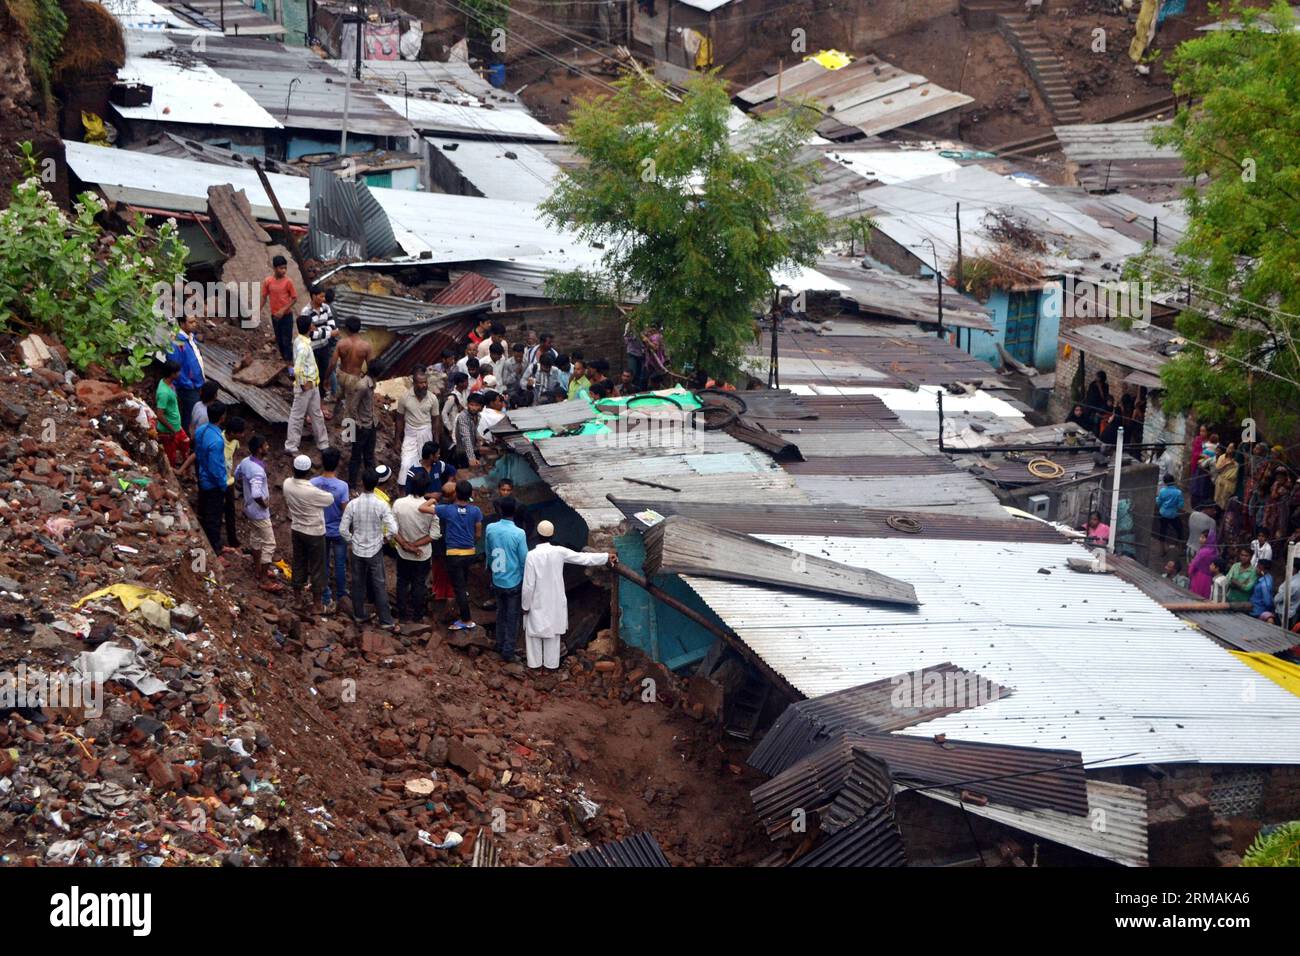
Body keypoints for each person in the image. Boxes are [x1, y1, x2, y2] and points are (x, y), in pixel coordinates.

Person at [521, 520, 614, 670]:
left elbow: (528, 585)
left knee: (533, 635)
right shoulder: (559, 552)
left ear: (537, 535)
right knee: (553, 635)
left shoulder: (531, 556)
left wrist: (525, 605)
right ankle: (551, 667)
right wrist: (605, 557)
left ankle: (535, 666)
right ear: (552, 536)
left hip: (537, 600)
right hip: (555, 601)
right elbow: (583, 558)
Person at [340, 467, 400, 631]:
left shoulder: (353, 504)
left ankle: (359, 615)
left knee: (357, 583)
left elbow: (343, 529)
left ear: (362, 483)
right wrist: (384, 540)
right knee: (379, 584)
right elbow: (393, 529)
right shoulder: (382, 505)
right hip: (375, 549)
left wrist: (352, 541)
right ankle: (386, 621)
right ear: (376, 484)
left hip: (357, 549)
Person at [421, 480, 482, 631]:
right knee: (462, 585)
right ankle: (461, 610)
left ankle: (466, 620)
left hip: (453, 554)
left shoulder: (447, 510)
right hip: (470, 553)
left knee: (459, 588)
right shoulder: (476, 511)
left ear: (456, 494)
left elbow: (422, 508)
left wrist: (434, 498)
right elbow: (478, 534)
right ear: (470, 495)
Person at [283, 454, 335, 615]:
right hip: (314, 532)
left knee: (298, 563)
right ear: (308, 472)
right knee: (317, 567)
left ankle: (298, 601)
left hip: (297, 529)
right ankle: (317, 605)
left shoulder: (287, 484)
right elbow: (330, 499)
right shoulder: (312, 492)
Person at [233, 435, 282, 592]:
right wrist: (264, 503)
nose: (268, 447)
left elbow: (236, 475)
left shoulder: (246, 462)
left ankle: (257, 568)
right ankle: (264, 579)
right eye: (266, 445)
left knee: (255, 537)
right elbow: (256, 493)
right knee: (269, 543)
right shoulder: (257, 471)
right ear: (260, 449)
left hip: (249, 508)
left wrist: (242, 487)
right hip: (259, 512)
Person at [332, 317, 376, 488]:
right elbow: (371, 365)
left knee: (342, 401)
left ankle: (344, 431)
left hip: (342, 375)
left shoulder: (341, 344)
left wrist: (329, 376)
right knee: (352, 407)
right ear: (359, 329)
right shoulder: (365, 346)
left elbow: (333, 362)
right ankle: (349, 436)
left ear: (347, 329)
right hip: (355, 378)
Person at [484, 496, 528, 663]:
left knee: (500, 612)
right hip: (513, 581)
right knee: (512, 617)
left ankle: (499, 644)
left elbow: (488, 551)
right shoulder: (519, 533)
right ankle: (508, 651)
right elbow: (524, 559)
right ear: (515, 511)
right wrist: (525, 581)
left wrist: (490, 570)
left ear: (500, 510)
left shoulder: (490, 528)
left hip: (497, 578)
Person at [392, 473, 439, 623]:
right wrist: (415, 546)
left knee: (402, 581)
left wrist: (406, 545)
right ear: (426, 489)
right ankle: (418, 615)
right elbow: (434, 535)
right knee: (419, 583)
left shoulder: (398, 503)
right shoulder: (431, 508)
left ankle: (402, 614)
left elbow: (393, 530)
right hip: (422, 553)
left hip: (402, 551)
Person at [284, 314, 330, 455]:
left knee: (316, 414)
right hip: (306, 386)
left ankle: (323, 443)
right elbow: (296, 369)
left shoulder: (299, 341)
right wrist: (303, 384)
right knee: (298, 416)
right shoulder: (304, 346)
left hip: (312, 384)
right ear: (310, 327)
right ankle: (291, 446)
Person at [311, 447, 350, 612]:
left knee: (323, 564)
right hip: (338, 530)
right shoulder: (342, 486)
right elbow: (345, 509)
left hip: (320, 529)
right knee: (340, 563)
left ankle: (326, 596)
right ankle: (341, 595)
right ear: (337, 464)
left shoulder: (313, 483)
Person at [395, 368, 438, 494]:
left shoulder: (432, 398)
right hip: (410, 434)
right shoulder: (405, 398)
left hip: (426, 432)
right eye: (420, 382)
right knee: (405, 463)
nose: (424, 385)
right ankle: (402, 495)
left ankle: (425, 493)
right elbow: (399, 419)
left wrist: (436, 442)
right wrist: (397, 439)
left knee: (426, 463)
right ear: (414, 383)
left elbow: (436, 421)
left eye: (425, 382)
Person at [193, 401, 229, 553]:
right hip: (212, 483)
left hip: (202, 475)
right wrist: (223, 484)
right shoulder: (217, 441)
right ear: (222, 417)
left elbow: (198, 452)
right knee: (214, 517)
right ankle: (215, 549)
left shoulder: (201, 430)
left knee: (205, 510)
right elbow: (216, 468)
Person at [165, 313, 206, 432]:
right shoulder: (177, 341)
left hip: (197, 384)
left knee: (194, 413)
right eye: (191, 322)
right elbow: (175, 366)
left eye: (194, 321)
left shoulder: (190, 338)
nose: (194, 324)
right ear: (182, 324)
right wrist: (188, 384)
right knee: (191, 415)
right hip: (188, 387)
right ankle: (187, 439)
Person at [304, 286, 339, 407]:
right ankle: (312, 404)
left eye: (324, 296)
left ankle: (320, 402)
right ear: (313, 296)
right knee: (313, 375)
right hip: (313, 348)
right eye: (321, 296)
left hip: (324, 346)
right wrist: (328, 332)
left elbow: (332, 326)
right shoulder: (306, 311)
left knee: (323, 375)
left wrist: (319, 330)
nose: (324, 299)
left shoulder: (326, 308)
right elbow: (311, 334)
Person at [262, 255, 298, 362]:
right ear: (274, 268)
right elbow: (264, 297)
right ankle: (284, 360)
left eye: (285, 268)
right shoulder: (268, 281)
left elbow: (294, 299)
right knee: (279, 340)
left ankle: (290, 364)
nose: (284, 271)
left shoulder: (288, 282)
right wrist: (257, 310)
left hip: (286, 316)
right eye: (281, 268)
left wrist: (283, 310)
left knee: (287, 341)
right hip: (275, 316)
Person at [155, 359, 191, 467]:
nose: (179, 374)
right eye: (178, 372)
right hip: (168, 431)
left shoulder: (167, 383)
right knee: (171, 456)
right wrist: (171, 430)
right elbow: (159, 415)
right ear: (172, 374)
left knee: (186, 443)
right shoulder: (164, 393)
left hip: (176, 427)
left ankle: (185, 467)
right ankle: (173, 474)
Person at [221, 416, 245, 554]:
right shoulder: (219, 441)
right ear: (231, 432)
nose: (242, 435)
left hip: (229, 481)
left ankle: (232, 540)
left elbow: (232, 457)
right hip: (218, 481)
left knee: (230, 511)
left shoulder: (235, 442)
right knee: (217, 509)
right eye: (239, 433)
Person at [453, 391, 486, 468]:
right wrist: (471, 458)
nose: (473, 408)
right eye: (471, 405)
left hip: (474, 449)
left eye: (476, 405)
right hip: (463, 452)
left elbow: (476, 433)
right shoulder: (463, 417)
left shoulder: (478, 416)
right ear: (467, 405)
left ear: (481, 407)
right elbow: (466, 438)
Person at [441, 372, 470, 452]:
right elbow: (444, 413)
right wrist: (449, 428)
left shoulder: (465, 393)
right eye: (466, 381)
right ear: (460, 383)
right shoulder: (452, 397)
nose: (467, 383)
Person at [1188, 529, 1218, 599]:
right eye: (1200, 537)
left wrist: (1190, 572)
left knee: (1195, 595)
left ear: (1209, 539)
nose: (1200, 539)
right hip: (1209, 578)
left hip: (1199, 576)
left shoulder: (1203, 552)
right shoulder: (1215, 550)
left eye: (1203, 537)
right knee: (1204, 596)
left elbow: (1194, 563)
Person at [1156, 474, 1185, 546]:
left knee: (1162, 531)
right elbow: (1180, 505)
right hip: (1173, 515)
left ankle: (1162, 549)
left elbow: (1159, 502)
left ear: (1165, 482)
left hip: (1163, 513)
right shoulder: (1178, 492)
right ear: (1174, 481)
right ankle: (1180, 548)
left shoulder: (1162, 491)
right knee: (1179, 529)